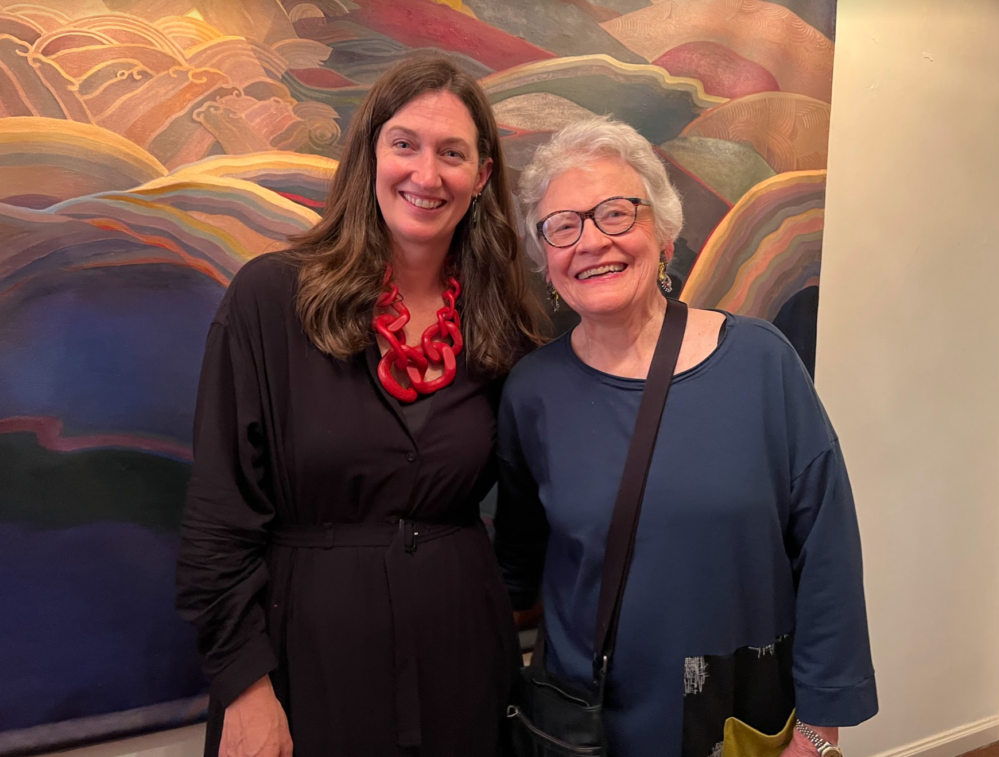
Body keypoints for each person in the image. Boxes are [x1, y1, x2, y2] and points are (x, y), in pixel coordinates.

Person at [176, 57, 544, 757]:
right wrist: (246, 688)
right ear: (369, 152)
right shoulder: (269, 299)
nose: (426, 175)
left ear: (484, 176)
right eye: (405, 144)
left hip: (464, 666)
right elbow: (216, 518)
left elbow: (533, 506)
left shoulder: (505, 326)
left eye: (453, 153)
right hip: (301, 665)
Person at [494, 117, 877, 757]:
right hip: (587, 726)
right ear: (545, 257)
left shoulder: (760, 363)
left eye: (617, 213)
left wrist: (817, 729)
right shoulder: (532, 392)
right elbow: (516, 569)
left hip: (737, 716)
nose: (590, 241)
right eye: (562, 226)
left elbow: (827, 549)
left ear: (663, 231)